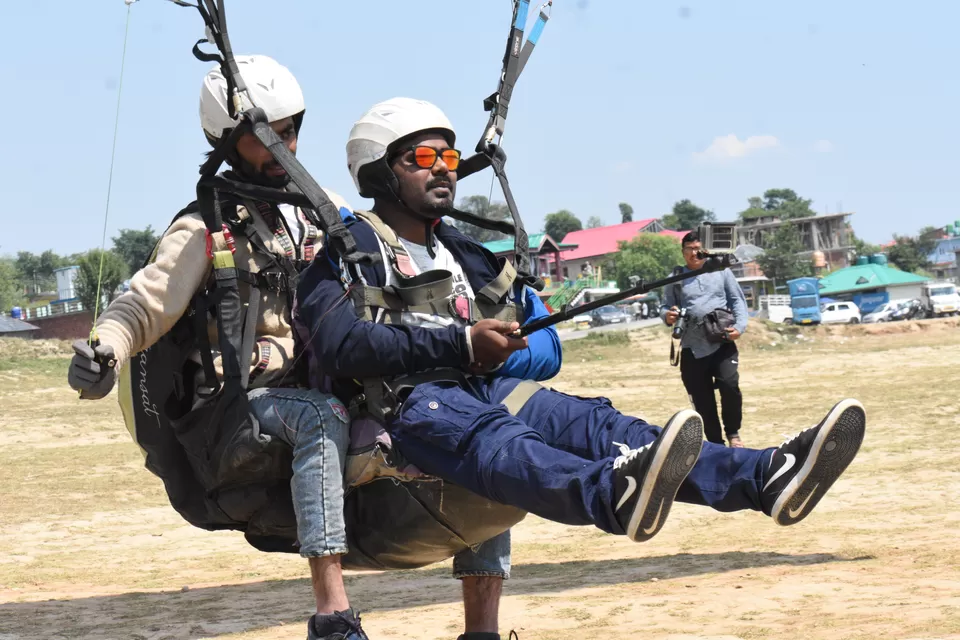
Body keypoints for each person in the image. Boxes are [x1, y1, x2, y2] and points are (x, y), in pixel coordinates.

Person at [294, 98, 868, 636]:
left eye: (448, 156)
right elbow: (339, 347)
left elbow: (522, 314)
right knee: (502, 441)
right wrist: (460, 344)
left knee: (604, 427)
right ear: (378, 172)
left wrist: (506, 329)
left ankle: (766, 476)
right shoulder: (348, 252)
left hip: (485, 386)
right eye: (423, 157)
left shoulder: (462, 251)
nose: (443, 169)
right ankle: (608, 494)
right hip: (412, 405)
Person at [66, 59, 512, 640]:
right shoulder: (206, 227)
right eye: (262, 133)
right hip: (245, 411)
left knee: (477, 414)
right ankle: (333, 616)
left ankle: (482, 628)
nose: (282, 143)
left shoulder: (326, 211)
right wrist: (104, 348)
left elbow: (397, 246)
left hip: (339, 385)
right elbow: (144, 304)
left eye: (291, 127)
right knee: (316, 415)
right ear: (226, 141)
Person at [662, 232, 749, 447]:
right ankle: (715, 444)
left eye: (698, 248)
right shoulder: (675, 278)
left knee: (730, 385)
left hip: (722, 342)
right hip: (692, 348)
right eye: (689, 249)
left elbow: (737, 299)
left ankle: (733, 433)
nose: (694, 253)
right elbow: (665, 307)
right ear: (683, 253)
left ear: (706, 250)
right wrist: (667, 315)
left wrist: (739, 326)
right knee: (702, 400)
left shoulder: (721, 270)